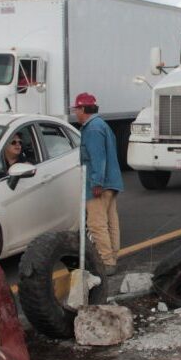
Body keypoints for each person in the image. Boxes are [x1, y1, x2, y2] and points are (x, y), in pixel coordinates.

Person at [72, 92, 122, 276]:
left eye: (76, 109)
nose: (75, 112)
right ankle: (113, 257)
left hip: (99, 184)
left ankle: (107, 262)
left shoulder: (92, 129)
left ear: (83, 109)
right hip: (112, 181)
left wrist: (96, 182)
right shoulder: (102, 125)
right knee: (111, 222)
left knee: (96, 224)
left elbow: (97, 158)